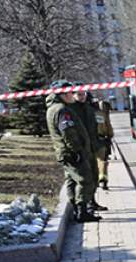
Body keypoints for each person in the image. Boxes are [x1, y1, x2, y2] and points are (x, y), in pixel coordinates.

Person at [45, 81, 100, 223]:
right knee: (86, 180)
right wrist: (77, 150)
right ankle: (82, 212)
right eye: (70, 92)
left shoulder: (54, 108)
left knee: (71, 180)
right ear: (63, 94)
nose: (73, 95)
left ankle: (77, 210)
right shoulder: (61, 110)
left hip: (65, 152)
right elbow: (68, 133)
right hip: (71, 153)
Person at [79, 93, 107, 212]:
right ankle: (85, 206)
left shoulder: (89, 108)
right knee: (86, 178)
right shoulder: (75, 109)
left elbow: (100, 123)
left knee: (94, 175)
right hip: (84, 147)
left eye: (83, 94)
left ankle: (92, 202)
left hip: (94, 143)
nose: (82, 96)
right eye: (79, 94)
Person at [95, 100, 114, 191]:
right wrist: (110, 135)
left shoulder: (90, 113)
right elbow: (108, 126)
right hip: (103, 139)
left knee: (97, 161)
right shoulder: (102, 115)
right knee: (103, 161)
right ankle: (104, 181)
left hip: (93, 140)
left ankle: (97, 181)